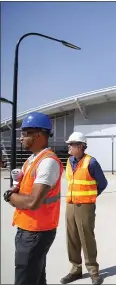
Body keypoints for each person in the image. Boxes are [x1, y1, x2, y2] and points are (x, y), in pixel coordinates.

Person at [3, 112, 64, 285]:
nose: (21, 138)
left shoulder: (48, 162)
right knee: (36, 278)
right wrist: (15, 189)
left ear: (38, 134)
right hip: (28, 228)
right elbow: (22, 188)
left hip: (36, 231)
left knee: (25, 279)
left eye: (24, 133)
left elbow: (32, 202)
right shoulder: (31, 160)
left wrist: (10, 196)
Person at [60, 132, 108, 285]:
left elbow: (103, 183)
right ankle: (75, 269)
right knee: (72, 237)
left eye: (71, 144)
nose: (69, 147)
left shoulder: (91, 162)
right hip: (71, 204)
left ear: (80, 146)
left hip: (85, 206)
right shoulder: (69, 161)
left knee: (86, 238)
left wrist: (90, 196)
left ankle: (93, 271)